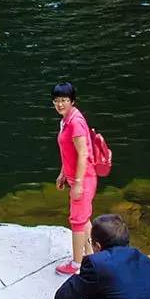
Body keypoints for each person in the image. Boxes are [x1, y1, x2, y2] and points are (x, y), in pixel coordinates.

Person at [51, 82, 96, 276]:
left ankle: (77, 264)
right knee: (84, 219)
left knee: (77, 221)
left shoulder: (75, 122)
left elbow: (83, 153)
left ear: (72, 101)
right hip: (77, 177)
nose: (60, 104)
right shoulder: (66, 119)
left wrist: (77, 184)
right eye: (56, 100)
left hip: (83, 179)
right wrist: (63, 173)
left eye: (64, 100)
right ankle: (91, 256)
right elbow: (68, 152)